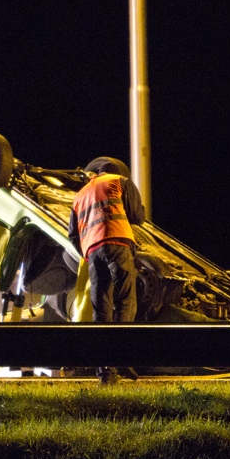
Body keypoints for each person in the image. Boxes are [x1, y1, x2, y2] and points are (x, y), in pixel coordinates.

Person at [67, 157, 145, 384]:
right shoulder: (120, 181)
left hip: (93, 252)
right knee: (125, 300)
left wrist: (88, 252)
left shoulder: (80, 195)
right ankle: (122, 357)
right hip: (117, 243)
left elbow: (73, 235)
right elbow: (137, 216)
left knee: (101, 310)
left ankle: (106, 374)